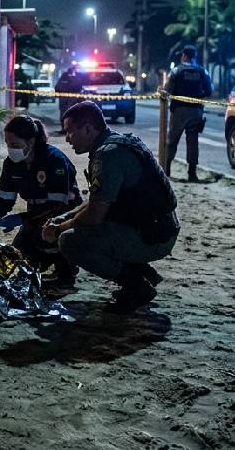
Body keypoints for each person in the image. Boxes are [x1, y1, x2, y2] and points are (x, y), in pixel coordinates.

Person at [43, 102, 179, 313]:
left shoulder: (108, 155)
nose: (67, 138)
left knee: (70, 240)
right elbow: (99, 199)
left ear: (88, 129)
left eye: (70, 131)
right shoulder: (116, 144)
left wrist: (59, 228)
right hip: (154, 227)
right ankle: (141, 272)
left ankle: (137, 286)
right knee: (78, 227)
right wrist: (63, 218)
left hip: (151, 236)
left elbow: (95, 214)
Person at [0, 115, 81, 289]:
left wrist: (21, 219)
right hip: (34, 215)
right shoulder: (12, 164)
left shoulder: (53, 160)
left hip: (63, 216)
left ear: (31, 142)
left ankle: (66, 271)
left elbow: (58, 206)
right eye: (8, 145)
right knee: (16, 254)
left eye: (15, 145)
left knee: (42, 238)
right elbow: (4, 199)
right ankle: (42, 261)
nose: (11, 149)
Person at [163, 45, 212, 182]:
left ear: (184, 55)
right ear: (195, 57)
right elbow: (209, 90)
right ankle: (192, 173)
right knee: (192, 142)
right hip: (196, 111)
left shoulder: (176, 71)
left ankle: (166, 170)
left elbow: (167, 90)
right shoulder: (202, 71)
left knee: (172, 140)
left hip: (179, 111)